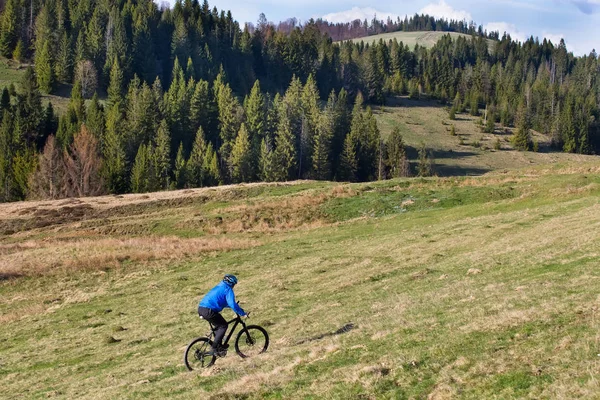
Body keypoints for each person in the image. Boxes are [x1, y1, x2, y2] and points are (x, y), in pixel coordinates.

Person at [198, 274, 247, 356]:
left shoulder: (219, 287)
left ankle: (219, 347)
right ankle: (214, 348)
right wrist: (242, 313)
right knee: (223, 326)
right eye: (234, 284)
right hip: (209, 310)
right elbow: (232, 304)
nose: (234, 286)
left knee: (219, 325)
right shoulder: (227, 289)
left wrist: (234, 306)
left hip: (201, 309)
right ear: (231, 283)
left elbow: (224, 302)